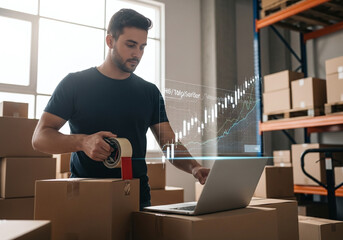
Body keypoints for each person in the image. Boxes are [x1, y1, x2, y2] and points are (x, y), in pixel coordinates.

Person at [32, 8, 210, 210]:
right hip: (86, 198)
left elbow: (169, 142)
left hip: (136, 199)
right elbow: (39, 138)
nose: (137, 54)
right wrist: (82, 142)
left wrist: (194, 167)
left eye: (142, 47)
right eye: (131, 45)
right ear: (110, 41)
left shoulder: (149, 92)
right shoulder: (75, 84)